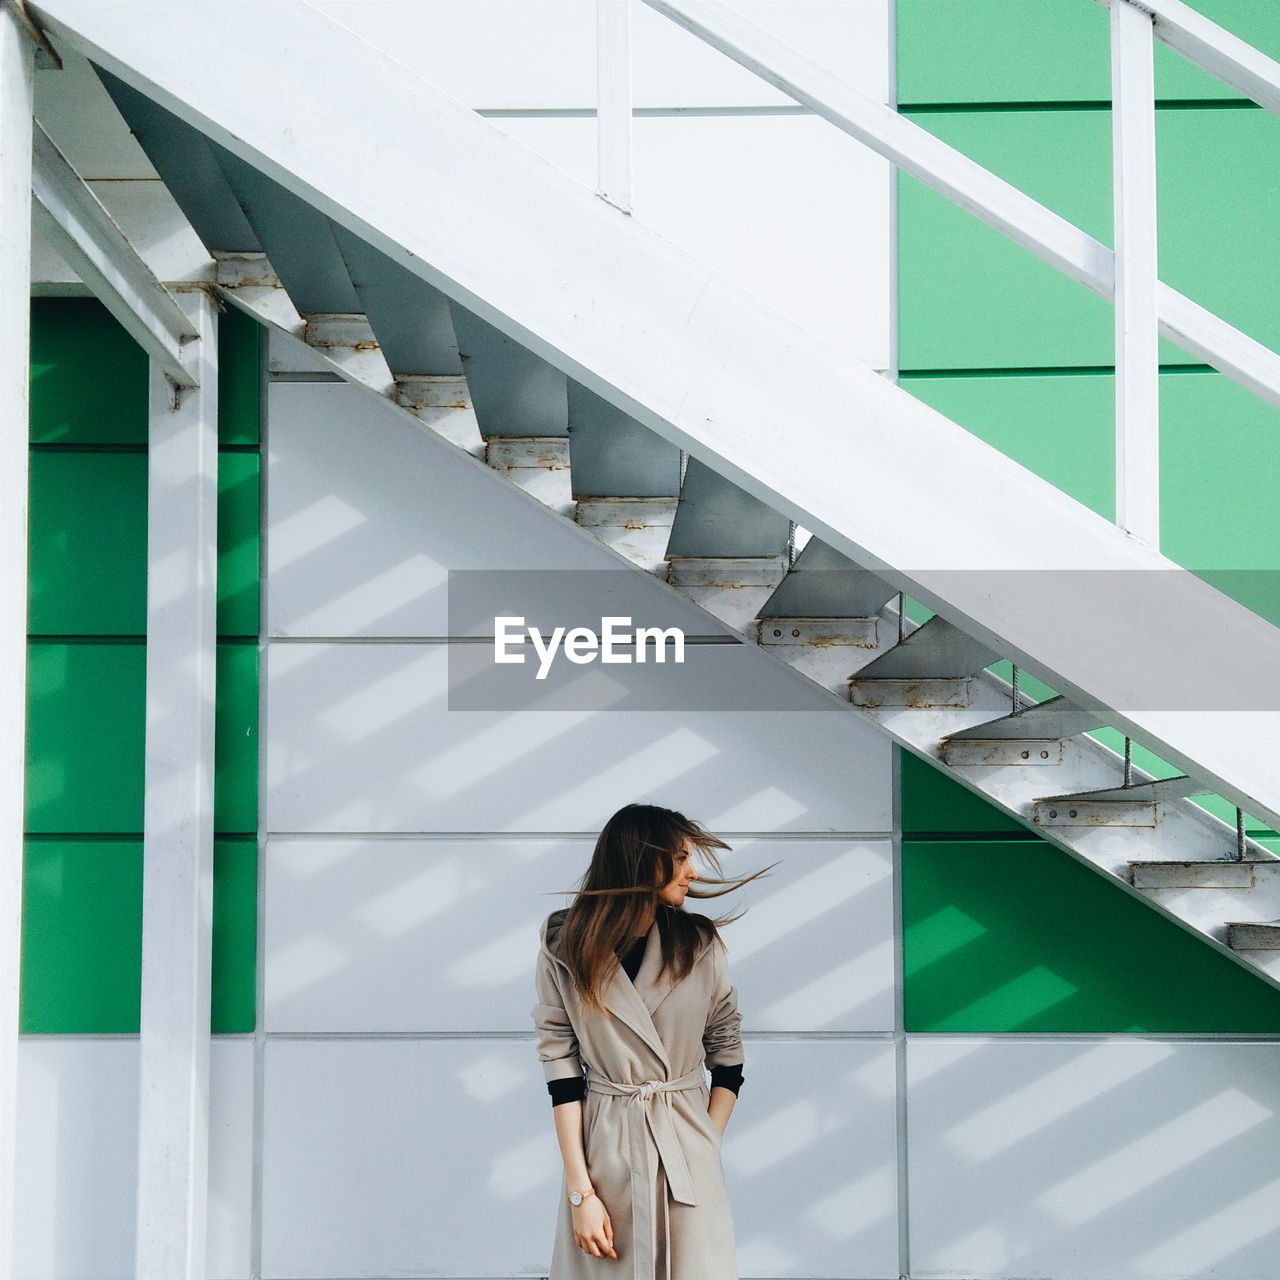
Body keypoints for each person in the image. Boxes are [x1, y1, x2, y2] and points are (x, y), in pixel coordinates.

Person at [531, 803, 774, 1279]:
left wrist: (704, 1143)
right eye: (681, 858)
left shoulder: (698, 944)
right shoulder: (566, 945)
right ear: (643, 861)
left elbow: (728, 1060)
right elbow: (561, 1073)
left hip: (686, 1151)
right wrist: (581, 1192)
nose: (693, 872)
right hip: (605, 1152)